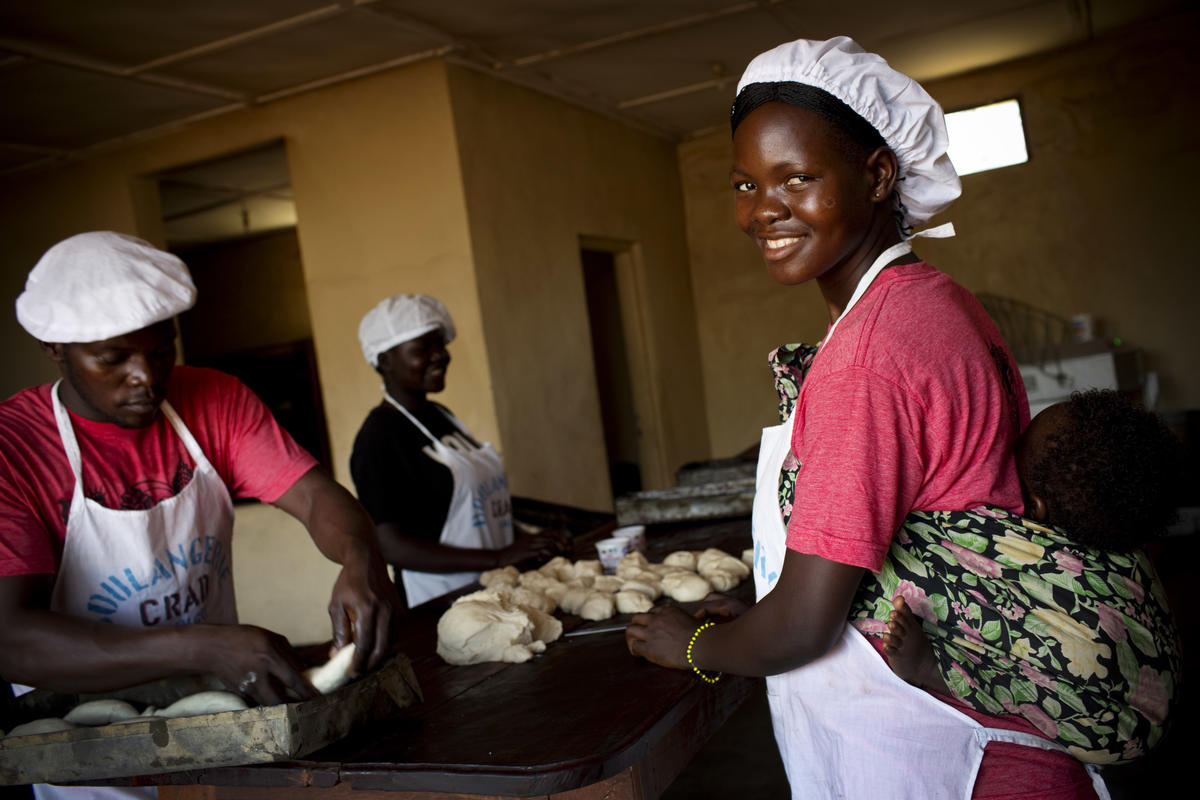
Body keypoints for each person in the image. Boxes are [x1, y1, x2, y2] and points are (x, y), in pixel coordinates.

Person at [625, 37, 1105, 799]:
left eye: (798, 177)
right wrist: (764, 600)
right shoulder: (932, 300)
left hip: (953, 756)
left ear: (878, 174)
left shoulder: (869, 355)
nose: (762, 211)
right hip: (997, 731)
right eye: (745, 184)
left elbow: (805, 627)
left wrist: (696, 645)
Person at [0, 232, 401, 724]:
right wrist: (203, 646)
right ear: (54, 347)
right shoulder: (14, 448)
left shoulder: (214, 398)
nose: (145, 377)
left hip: (224, 712)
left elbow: (315, 497)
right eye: (113, 358)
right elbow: (10, 637)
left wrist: (361, 557)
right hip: (87, 741)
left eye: (161, 351)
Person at [881, 389, 1182, 763]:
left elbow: (1023, 684)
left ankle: (929, 671)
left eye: (1015, 456)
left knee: (1025, 688)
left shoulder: (1027, 551)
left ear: (1036, 508)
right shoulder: (1120, 531)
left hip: (1116, 719)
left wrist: (928, 665)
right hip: (1161, 682)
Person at [351, 293, 565, 610]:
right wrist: (500, 556)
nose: (439, 356)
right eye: (423, 349)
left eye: (441, 345)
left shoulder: (441, 416)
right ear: (384, 360)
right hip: (443, 602)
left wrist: (529, 542)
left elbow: (479, 508)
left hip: (496, 585)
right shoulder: (379, 438)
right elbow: (390, 545)